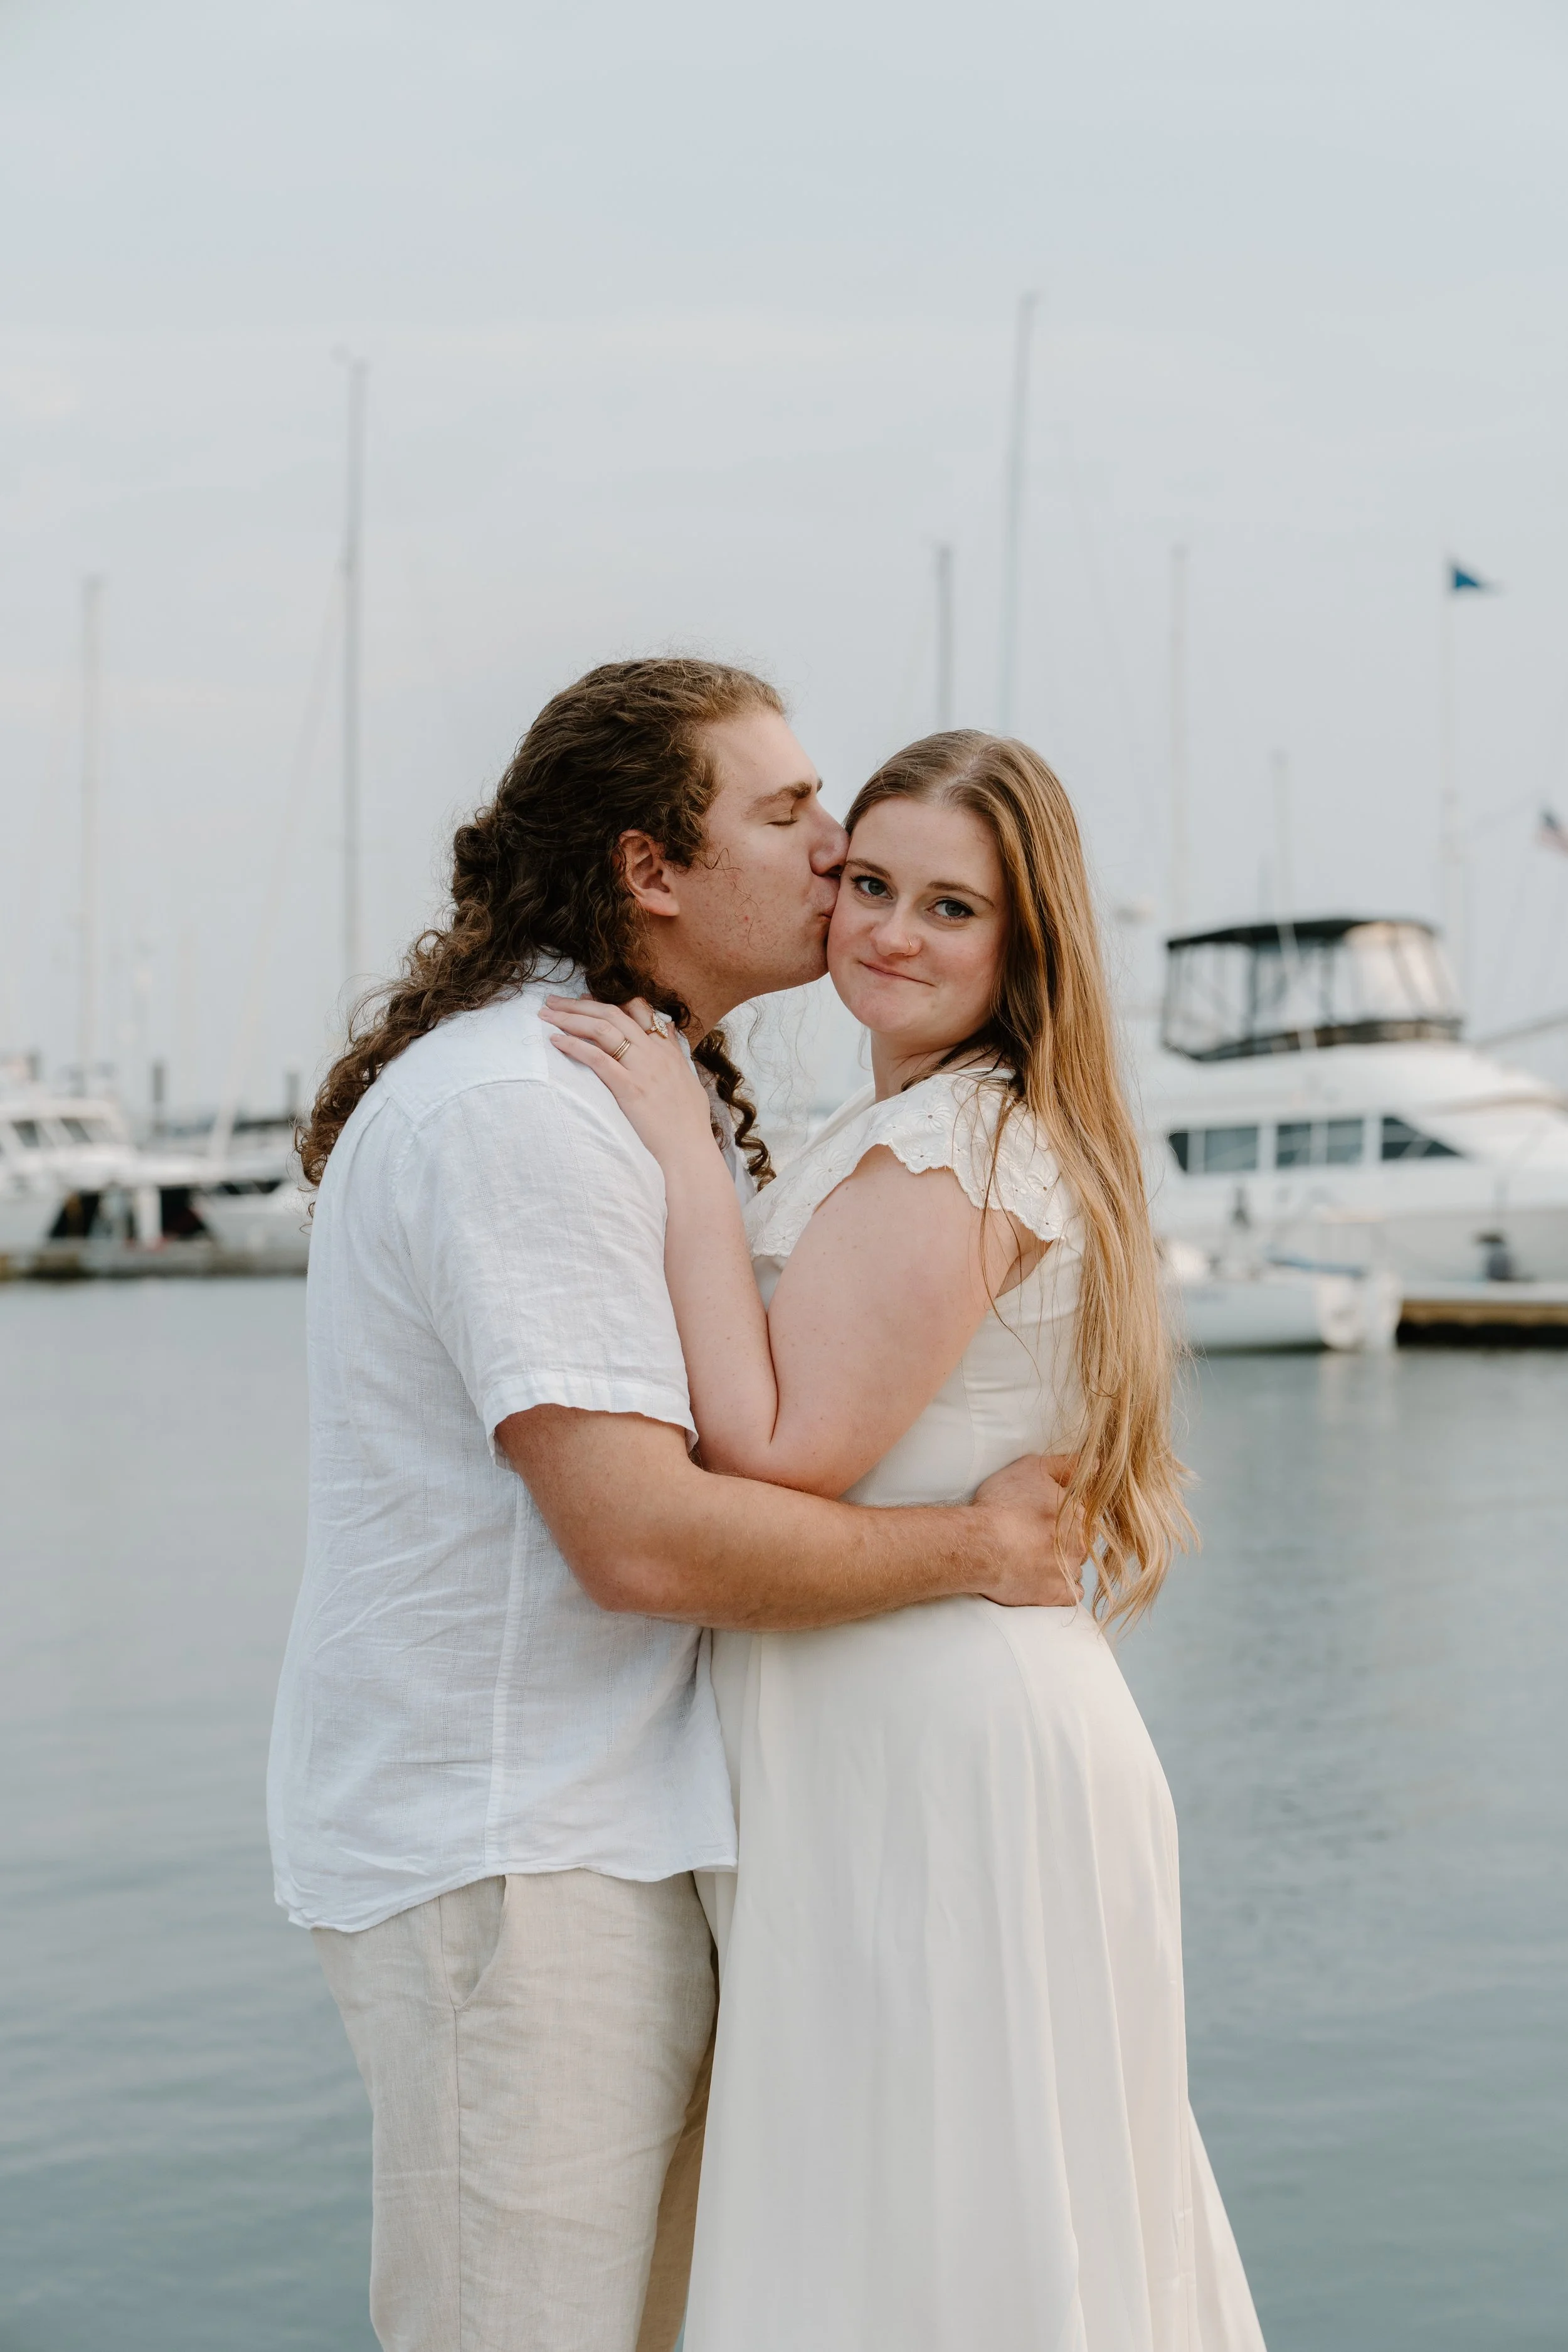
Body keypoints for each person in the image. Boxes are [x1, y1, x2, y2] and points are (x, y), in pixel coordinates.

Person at [267, 662, 1081, 2352]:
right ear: (652, 870)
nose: (837, 838)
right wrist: (975, 1547)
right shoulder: (527, 1107)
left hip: (615, 1840)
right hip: (520, 1860)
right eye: (786, 813)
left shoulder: (628, 1087)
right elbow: (639, 1534)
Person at [544, 728, 1268, 2350]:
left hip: (931, 1747)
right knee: (973, 2209)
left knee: (940, 2221)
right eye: (868, 883)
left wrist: (671, 1140)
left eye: (951, 908)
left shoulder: (952, 1141)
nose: (887, 931)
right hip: (925, 1716)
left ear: (1025, 944)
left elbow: (781, 1450)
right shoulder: (959, 1122)